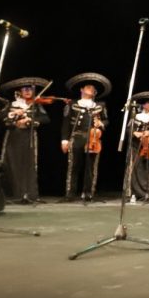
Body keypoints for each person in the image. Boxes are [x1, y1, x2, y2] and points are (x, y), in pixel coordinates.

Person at [60, 72, 111, 202]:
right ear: (81, 90)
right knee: (74, 166)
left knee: (91, 167)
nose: (91, 89)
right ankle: (70, 194)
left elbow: (106, 120)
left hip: (93, 138)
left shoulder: (100, 105)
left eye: (93, 88)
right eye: (88, 87)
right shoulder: (72, 104)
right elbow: (66, 123)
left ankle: (88, 193)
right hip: (77, 137)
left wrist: (101, 123)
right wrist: (64, 140)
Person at [0, 77, 51, 204]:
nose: (28, 91)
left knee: (29, 164)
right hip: (13, 136)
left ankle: (30, 195)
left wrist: (32, 120)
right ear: (19, 92)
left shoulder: (36, 105)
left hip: (29, 136)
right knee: (12, 163)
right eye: (25, 89)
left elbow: (46, 119)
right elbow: (1, 118)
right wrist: (13, 116)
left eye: (31, 89)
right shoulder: (11, 105)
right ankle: (14, 195)